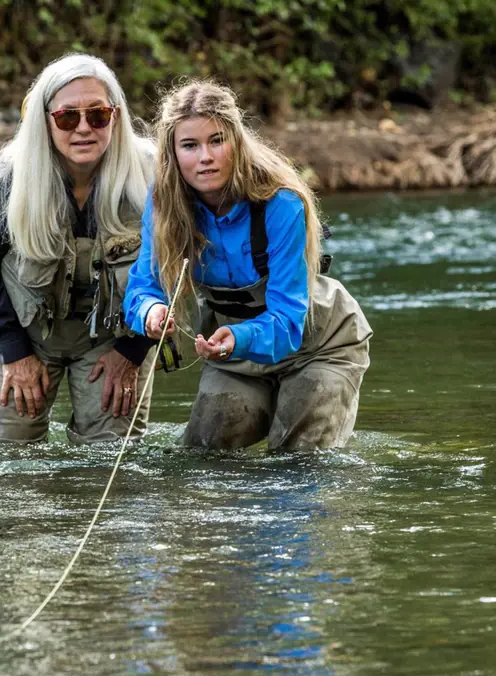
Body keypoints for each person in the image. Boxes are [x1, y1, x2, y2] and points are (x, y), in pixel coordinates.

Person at [123, 81, 372, 451]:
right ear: (173, 153)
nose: (205, 156)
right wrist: (151, 312)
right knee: (203, 455)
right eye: (190, 145)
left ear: (236, 142)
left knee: (296, 464)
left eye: (217, 140)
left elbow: (288, 321)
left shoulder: (281, 202)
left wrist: (236, 338)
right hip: (236, 355)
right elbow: (143, 285)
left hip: (318, 346)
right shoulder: (164, 202)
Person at [0, 53, 156, 444]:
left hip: (113, 337)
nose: (84, 128)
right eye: (68, 117)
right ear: (45, 120)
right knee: (3, 460)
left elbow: (173, 267)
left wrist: (132, 352)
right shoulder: (12, 177)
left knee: (109, 458)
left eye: (98, 115)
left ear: (115, 117)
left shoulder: (152, 174)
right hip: (21, 329)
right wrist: (15, 353)